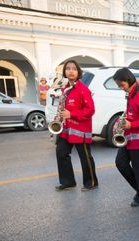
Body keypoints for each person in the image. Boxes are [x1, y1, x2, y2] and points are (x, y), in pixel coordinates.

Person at [113, 68, 139, 207]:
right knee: (121, 163)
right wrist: (122, 121)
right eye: (119, 86)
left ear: (129, 79)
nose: (121, 88)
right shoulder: (131, 94)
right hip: (130, 136)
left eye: (122, 85)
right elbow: (132, 113)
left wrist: (131, 124)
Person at [54, 60, 98, 192]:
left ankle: (91, 182)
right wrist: (60, 116)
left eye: (74, 68)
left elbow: (90, 110)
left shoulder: (83, 89)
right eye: (68, 69)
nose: (71, 71)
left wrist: (71, 114)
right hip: (66, 129)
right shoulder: (65, 89)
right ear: (65, 72)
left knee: (85, 157)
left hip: (80, 129)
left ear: (78, 72)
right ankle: (68, 182)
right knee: (61, 152)